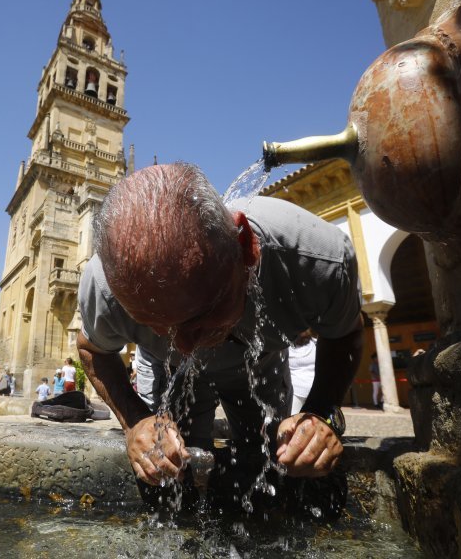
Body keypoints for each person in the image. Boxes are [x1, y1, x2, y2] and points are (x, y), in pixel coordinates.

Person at [76, 163, 362, 489]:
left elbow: (346, 334)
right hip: (169, 374)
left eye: (200, 316)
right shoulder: (105, 287)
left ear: (246, 248)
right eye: (159, 326)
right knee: (169, 470)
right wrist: (136, 420)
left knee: (273, 463)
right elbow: (92, 350)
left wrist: (320, 413)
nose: (185, 348)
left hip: (259, 365)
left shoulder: (314, 260)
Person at [288, 330, 317, 415]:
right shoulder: (286, 347)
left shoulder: (316, 344)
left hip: (315, 392)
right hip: (295, 392)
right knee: (292, 421)